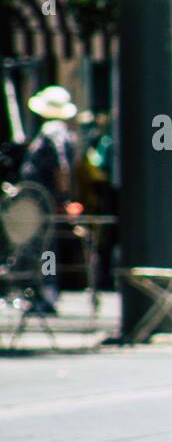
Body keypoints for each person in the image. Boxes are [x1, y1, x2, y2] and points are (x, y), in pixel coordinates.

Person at [20, 86, 79, 313]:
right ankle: (46, 290)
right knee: (46, 247)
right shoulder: (60, 131)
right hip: (44, 198)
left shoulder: (51, 130)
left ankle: (47, 292)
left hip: (43, 200)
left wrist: (63, 198)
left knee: (45, 248)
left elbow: (61, 167)